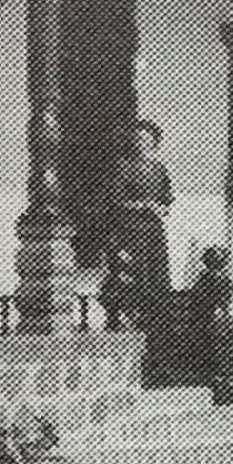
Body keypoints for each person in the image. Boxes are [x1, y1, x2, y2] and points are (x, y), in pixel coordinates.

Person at [104, 119, 173, 327]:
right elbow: (114, 200)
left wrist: (161, 208)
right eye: (137, 139)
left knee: (155, 271)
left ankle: (154, 315)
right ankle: (130, 314)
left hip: (153, 230)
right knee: (134, 271)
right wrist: (143, 205)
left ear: (153, 142)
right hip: (130, 229)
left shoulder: (159, 170)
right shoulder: (123, 168)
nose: (141, 143)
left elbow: (167, 199)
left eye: (146, 139)